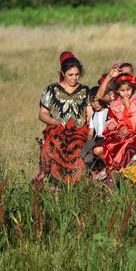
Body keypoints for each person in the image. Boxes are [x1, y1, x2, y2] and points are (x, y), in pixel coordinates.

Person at [37, 51, 93, 186]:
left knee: (79, 149)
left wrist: (90, 131)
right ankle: (52, 179)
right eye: (70, 75)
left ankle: (75, 183)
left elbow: (90, 114)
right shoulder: (51, 89)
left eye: (77, 75)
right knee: (52, 147)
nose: (74, 78)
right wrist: (54, 121)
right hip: (57, 128)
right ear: (63, 74)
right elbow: (42, 113)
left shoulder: (85, 90)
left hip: (79, 130)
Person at [99, 74, 136, 175]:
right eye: (122, 90)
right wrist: (111, 124)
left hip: (134, 134)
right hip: (119, 134)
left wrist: (128, 106)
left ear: (132, 89)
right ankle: (112, 169)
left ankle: (118, 171)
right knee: (106, 147)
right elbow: (113, 119)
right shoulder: (115, 104)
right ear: (117, 91)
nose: (126, 93)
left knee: (125, 147)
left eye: (128, 90)